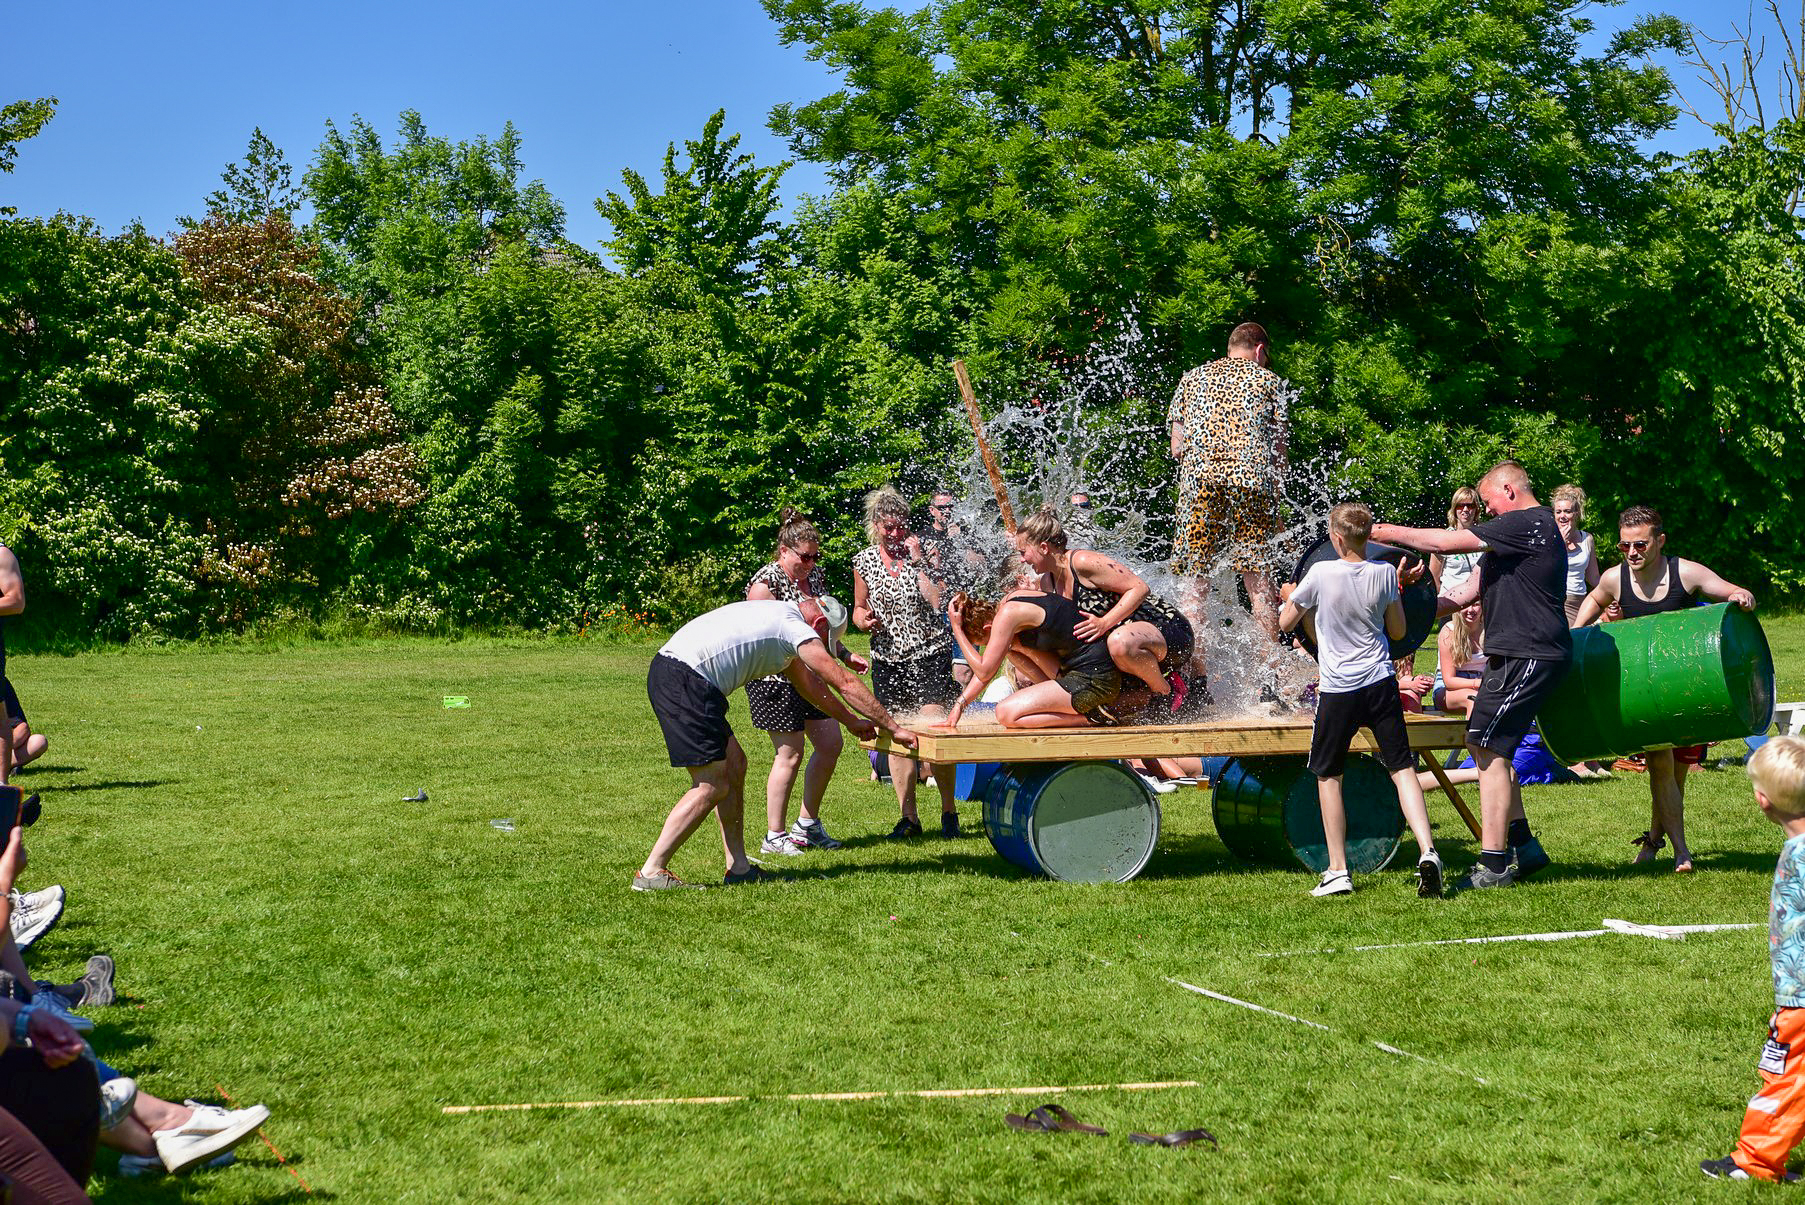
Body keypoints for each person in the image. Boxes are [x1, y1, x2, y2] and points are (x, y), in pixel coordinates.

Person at [1373, 460, 1569, 890]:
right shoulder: (1511, 539)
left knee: (1488, 746)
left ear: (1509, 490)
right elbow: (1461, 595)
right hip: (1513, 653)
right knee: (1489, 745)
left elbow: (1443, 542)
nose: (1487, 510)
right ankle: (1524, 847)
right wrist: (1405, 606)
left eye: (1488, 501)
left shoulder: (1527, 522)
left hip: (1529, 651)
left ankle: (1494, 866)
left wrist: (1381, 532)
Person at [636, 597, 915, 890]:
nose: (822, 648)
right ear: (819, 624)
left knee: (735, 765)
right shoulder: (795, 628)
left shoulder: (782, 618)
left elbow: (809, 685)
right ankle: (651, 872)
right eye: (825, 641)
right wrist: (893, 728)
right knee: (712, 785)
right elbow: (844, 682)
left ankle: (739, 868)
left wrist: (850, 721)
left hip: (683, 675)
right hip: (686, 680)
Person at [1574, 504, 1757, 873]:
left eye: (1640, 545)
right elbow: (1594, 598)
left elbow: (1731, 590)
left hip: (1685, 687)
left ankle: (1654, 840)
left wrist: (1741, 595)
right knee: (1660, 765)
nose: (1631, 553)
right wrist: (1576, 634)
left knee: (1676, 776)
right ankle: (1682, 852)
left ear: (1660, 541)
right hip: (1643, 692)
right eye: (1624, 546)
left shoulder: (1684, 572)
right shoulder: (1615, 578)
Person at [1278, 503, 1443, 898]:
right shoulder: (1384, 573)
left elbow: (1284, 623)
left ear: (1336, 538)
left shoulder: (1320, 573)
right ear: (1368, 537)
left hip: (1339, 689)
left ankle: (1338, 870)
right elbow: (1398, 631)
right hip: (1380, 683)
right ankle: (1428, 850)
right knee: (1402, 768)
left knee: (1328, 775)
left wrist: (1292, 598)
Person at [1701, 736, 1805, 1182]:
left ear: (1763, 801)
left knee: (1785, 1077)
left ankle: (1755, 1161)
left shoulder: (1801, 856)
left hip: (1801, 998)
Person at [744, 509, 868, 856]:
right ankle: (774, 836)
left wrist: (844, 654)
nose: (811, 564)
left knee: (830, 744)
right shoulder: (764, 586)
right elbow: (762, 639)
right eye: (804, 557)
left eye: (816, 557)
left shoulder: (815, 577)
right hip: (776, 677)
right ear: (784, 550)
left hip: (812, 674)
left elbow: (820, 628)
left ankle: (807, 826)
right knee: (790, 753)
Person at [1167, 322, 1287, 675]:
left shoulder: (1192, 378)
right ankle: (1267, 680)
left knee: (1194, 585)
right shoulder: (1270, 382)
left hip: (1200, 483)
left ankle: (1194, 678)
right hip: (1252, 482)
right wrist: (1276, 502)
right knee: (1259, 582)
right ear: (1260, 350)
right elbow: (1279, 452)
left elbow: (1176, 448)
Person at [852, 488, 962, 839]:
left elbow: (937, 601)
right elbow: (858, 608)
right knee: (896, 731)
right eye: (889, 528)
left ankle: (949, 811)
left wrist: (918, 562)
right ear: (876, 526)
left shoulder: (926, 551)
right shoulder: (863, 561)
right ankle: (908, 817)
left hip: (929, 652)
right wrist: (863, 620)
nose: (896, 534)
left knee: (934, 726)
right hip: (889, 657)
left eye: (901, 526)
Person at [1011, 507, 1193, 706]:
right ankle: (1159, 691)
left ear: (1044, 547)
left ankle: (1165, 692)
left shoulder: (1082, 562)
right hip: (1126, 653)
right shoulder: (1048, 582)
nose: (1022, 559)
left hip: (1166, 632)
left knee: (1119, 642)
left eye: (1023, 552)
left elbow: (1140, 588)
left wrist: (1104, 623)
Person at [945, 590, 1122, 730]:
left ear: (988, 627)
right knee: (1012, 650)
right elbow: (987, 672)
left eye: (986, 643)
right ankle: (1091, 713)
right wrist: (960, 705)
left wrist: (957, 630)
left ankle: (1092, 718)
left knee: (1005, 713)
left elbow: (984, 671)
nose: (989, 647)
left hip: (1095, 682)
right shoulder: (1011, 600)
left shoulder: (1007, 616)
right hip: (1085, 673)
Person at [1551, 483, 1600, 624]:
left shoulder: (1587, 539)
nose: (1562, 516)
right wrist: (1560, 544)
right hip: (1557, 600)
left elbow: (1593, 578)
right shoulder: (1549, 538)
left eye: (1567, 511)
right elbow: (1545, 569)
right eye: (1558, 512)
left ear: (1576, 513)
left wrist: (1611, 593)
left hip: (1581, 601)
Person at [1432, 599, 1486, 715]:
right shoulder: (1449, 631)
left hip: (1483, 683)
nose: (1470, 610)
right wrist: (1478, 683)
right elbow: (1449, 681)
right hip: (1448, 689)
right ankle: (1472, 728)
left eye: (1476, 605)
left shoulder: (1489, 629)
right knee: (1473, 698)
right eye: (1466, 606)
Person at [1429, 487, 1483, 599]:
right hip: (1451, 602)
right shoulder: (1444, 539)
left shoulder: (1484, 536)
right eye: (1460, 505)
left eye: (1470, 505)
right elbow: (1434, 578)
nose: (1465, 509)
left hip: (1478, 602)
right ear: (1454, 509)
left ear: (1476, 509)